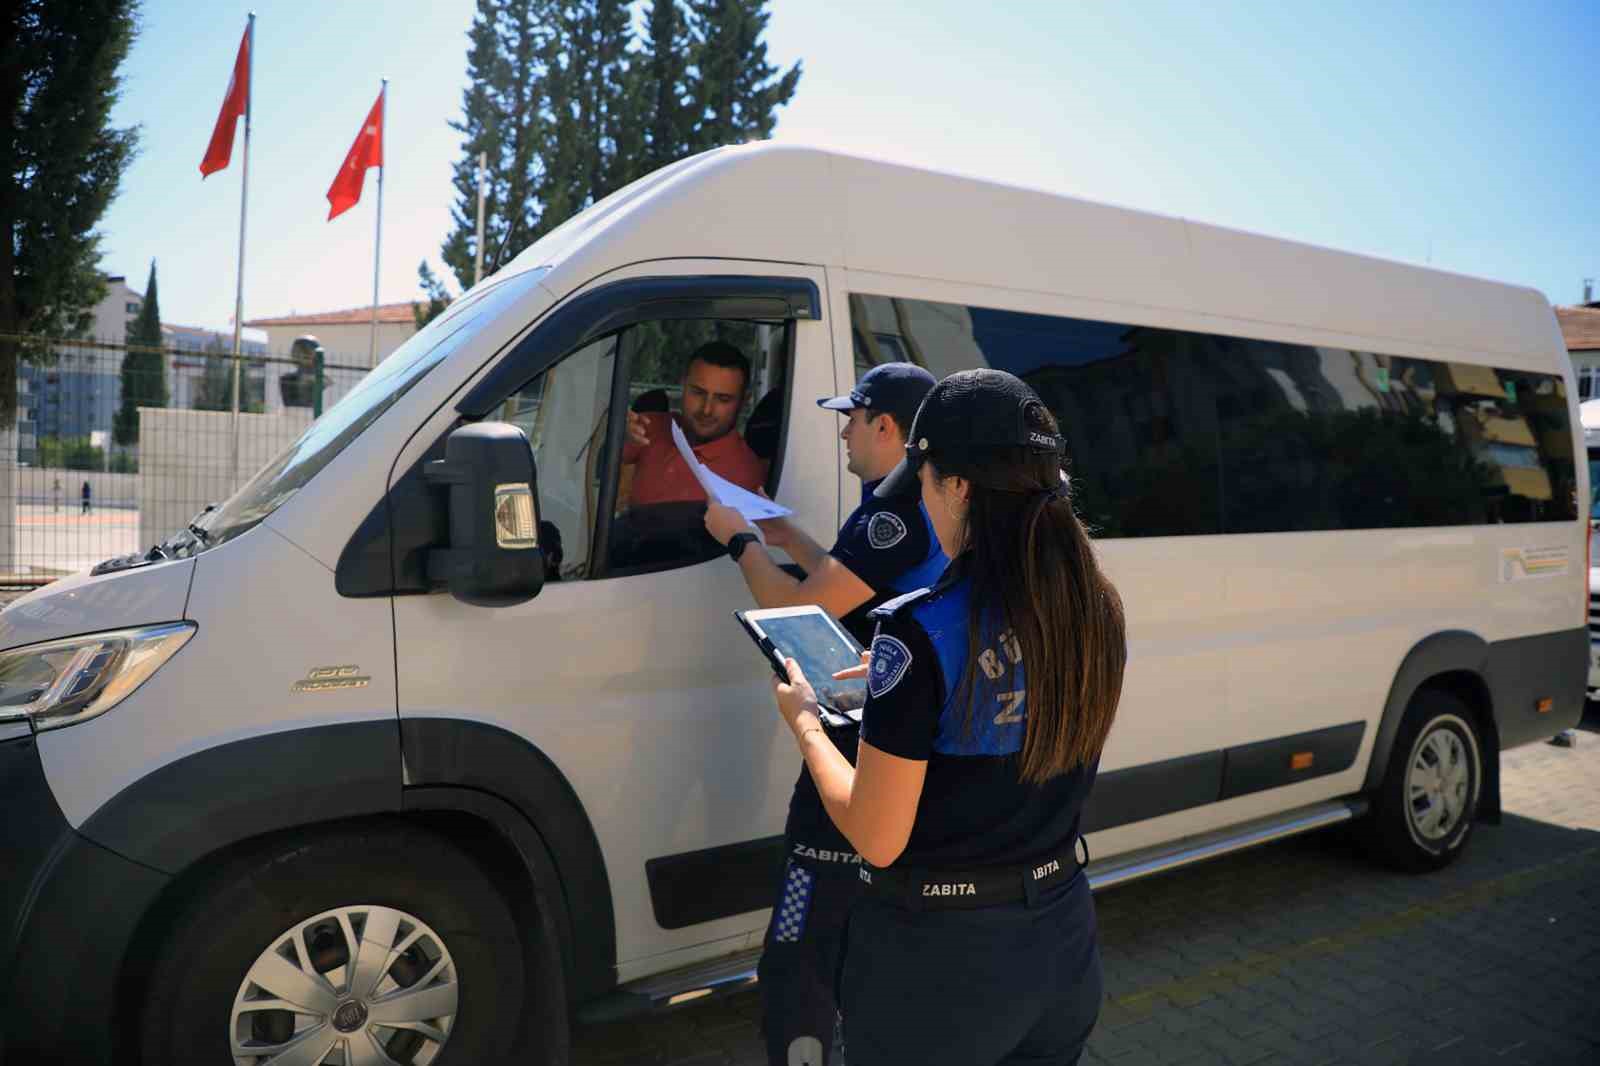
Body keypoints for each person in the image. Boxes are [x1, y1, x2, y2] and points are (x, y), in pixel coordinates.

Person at [770, 368, 1127, 1066]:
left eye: (926, 479)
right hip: (1060, 942)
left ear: (958, 486)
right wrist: (902, 697)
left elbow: (877, 835)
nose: (924, 502)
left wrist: (808, 723)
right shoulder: (1094, 609)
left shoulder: (917, 630)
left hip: (939, 967)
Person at [703, 362, 944, 1066]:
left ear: (886, 426)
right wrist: (787, 534)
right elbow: (851, 578)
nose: (843, 431)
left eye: (852, 417)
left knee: (802, 954)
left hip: (855, 752)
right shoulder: (908, 503)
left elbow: (795, 609)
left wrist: (738, 539)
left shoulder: (893, 512)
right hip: (897, 753)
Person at [622, 340, 765, 507]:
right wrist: (618, 434)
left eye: (723, 399)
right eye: (698, 393)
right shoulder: (649, 426)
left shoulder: (746, 473)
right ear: (683, 385)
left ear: (743, 401)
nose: (706, 409)